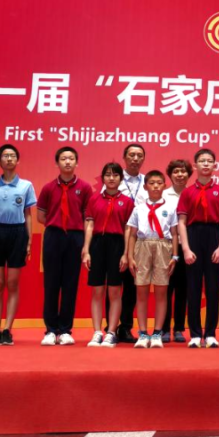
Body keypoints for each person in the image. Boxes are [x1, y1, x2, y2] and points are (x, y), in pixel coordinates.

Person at [37, 147, 93, 346]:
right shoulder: (48, 188)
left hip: (75, 237)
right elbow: (41, 216)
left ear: (77, 162)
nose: (67, 162)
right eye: (63, 159)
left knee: (70, 284)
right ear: (57, 163)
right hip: (53, 236)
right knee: (51, 284)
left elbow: (88, 217)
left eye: (71, 159)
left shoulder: (85, 188)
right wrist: (58, 224)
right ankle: (51, 330)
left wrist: (85, 245)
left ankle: (66, 330)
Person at [0, 144, 36, 346]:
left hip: (18, 233)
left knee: (12, 283)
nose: (9, 159)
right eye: (5, 156)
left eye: (13, 155)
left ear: (18, 160)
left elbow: (28, 215)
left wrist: (29, 240)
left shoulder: (26, 185)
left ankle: (7, 330)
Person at [178, 149, 219, 349]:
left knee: (213, 288)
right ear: (195, 166)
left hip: (214, 236)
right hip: (193, 235)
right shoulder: (187, 192)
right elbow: (182, 222)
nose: (206, 164)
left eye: (209, 161)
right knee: (192, 288)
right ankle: (194, 334)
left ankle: (210, 334)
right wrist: (186, 249)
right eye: (202, 161)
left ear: (215, 165)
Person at [83, 162, 134, 348]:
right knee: (97, 290)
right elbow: (89, 225)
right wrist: (86, 250)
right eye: (108, 175)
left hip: (117, 245)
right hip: (97, 245)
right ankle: (97, 332)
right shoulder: (94, 199)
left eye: (115, 175)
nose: (111, 178)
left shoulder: (127, 202)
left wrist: (126, 254)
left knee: (114, 291)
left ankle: (111, 332)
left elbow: (128, 229)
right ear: (103, 178)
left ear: (121, 178)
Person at [126, 170, 178, 349]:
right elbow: (132, 234)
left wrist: (175, 256)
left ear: (164, 185)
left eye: (159, 183)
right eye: (152, 183)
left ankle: (157, 333)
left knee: (161, 292)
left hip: (163, 246)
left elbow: (174, 233)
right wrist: (130, 256)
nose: (155, 186)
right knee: (141, 291)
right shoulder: (138, 209)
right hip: (142, 246)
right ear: (145, 186)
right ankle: (142, 333)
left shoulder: (170, 208)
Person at [112, 144, 148, 343]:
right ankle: (110, 327)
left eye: (139, 155)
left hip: (139, 239)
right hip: (116, 236)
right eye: (132, 155)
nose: (135, 158)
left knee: (133, 285)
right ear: (124, 158)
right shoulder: (114, 179)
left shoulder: (148, 181)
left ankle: (125, 327)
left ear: (143, 159)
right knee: (114, 284)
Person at [161, 159, 192, 343]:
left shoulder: (193, 193)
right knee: (166, 288)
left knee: (183, 289)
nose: (180, 175)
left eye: (183, 171)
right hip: (166, 247)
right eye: (176, 172)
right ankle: (164, 328)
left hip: (187, 247)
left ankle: (179, 328)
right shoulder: (163, 195)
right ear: (170, 175)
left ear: (189, 174)